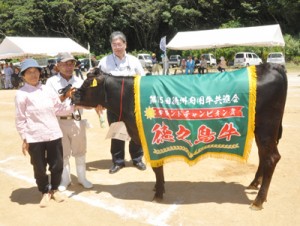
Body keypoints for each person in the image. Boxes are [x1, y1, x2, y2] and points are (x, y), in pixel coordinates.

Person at [15, 58, 75, 207]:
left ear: (40, 73)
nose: (33, 75)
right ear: (23, 75)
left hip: (53, 133)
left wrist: (74, 104)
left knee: (57, 164)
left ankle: (54, 189)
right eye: (29, 72)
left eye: (35, 71)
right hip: (34, 136)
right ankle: (44, 191)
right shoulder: (21, 94)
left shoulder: (47, 90)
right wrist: (25, 138)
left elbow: (58, 108)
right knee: (39, 167)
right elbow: (20, 119)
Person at [98, 31, 146, 174]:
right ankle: (118, 162)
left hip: (132, 104)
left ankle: (137, 159)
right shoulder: (104, 62)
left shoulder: (134, 60)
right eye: (114, 44)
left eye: (120, 44)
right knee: (117, 132)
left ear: (125, 44)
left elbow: (142, 79)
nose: (117, 47)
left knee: (135, 131)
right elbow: (98, 82)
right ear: (111, 46)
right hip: (113, 104)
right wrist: (99, 101)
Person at [46, 52, 93, 191]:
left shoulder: (79, 81)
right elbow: (52, 104)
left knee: (80, 151)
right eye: (65, 64)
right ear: (58, 65)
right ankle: (65, 180)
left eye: (71, 63)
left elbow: (87, 101)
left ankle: (82, 178)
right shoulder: (51, 82)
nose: (68, 67)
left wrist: (96, 105)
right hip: (58, 122)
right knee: (63, 152)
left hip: (77, 120)